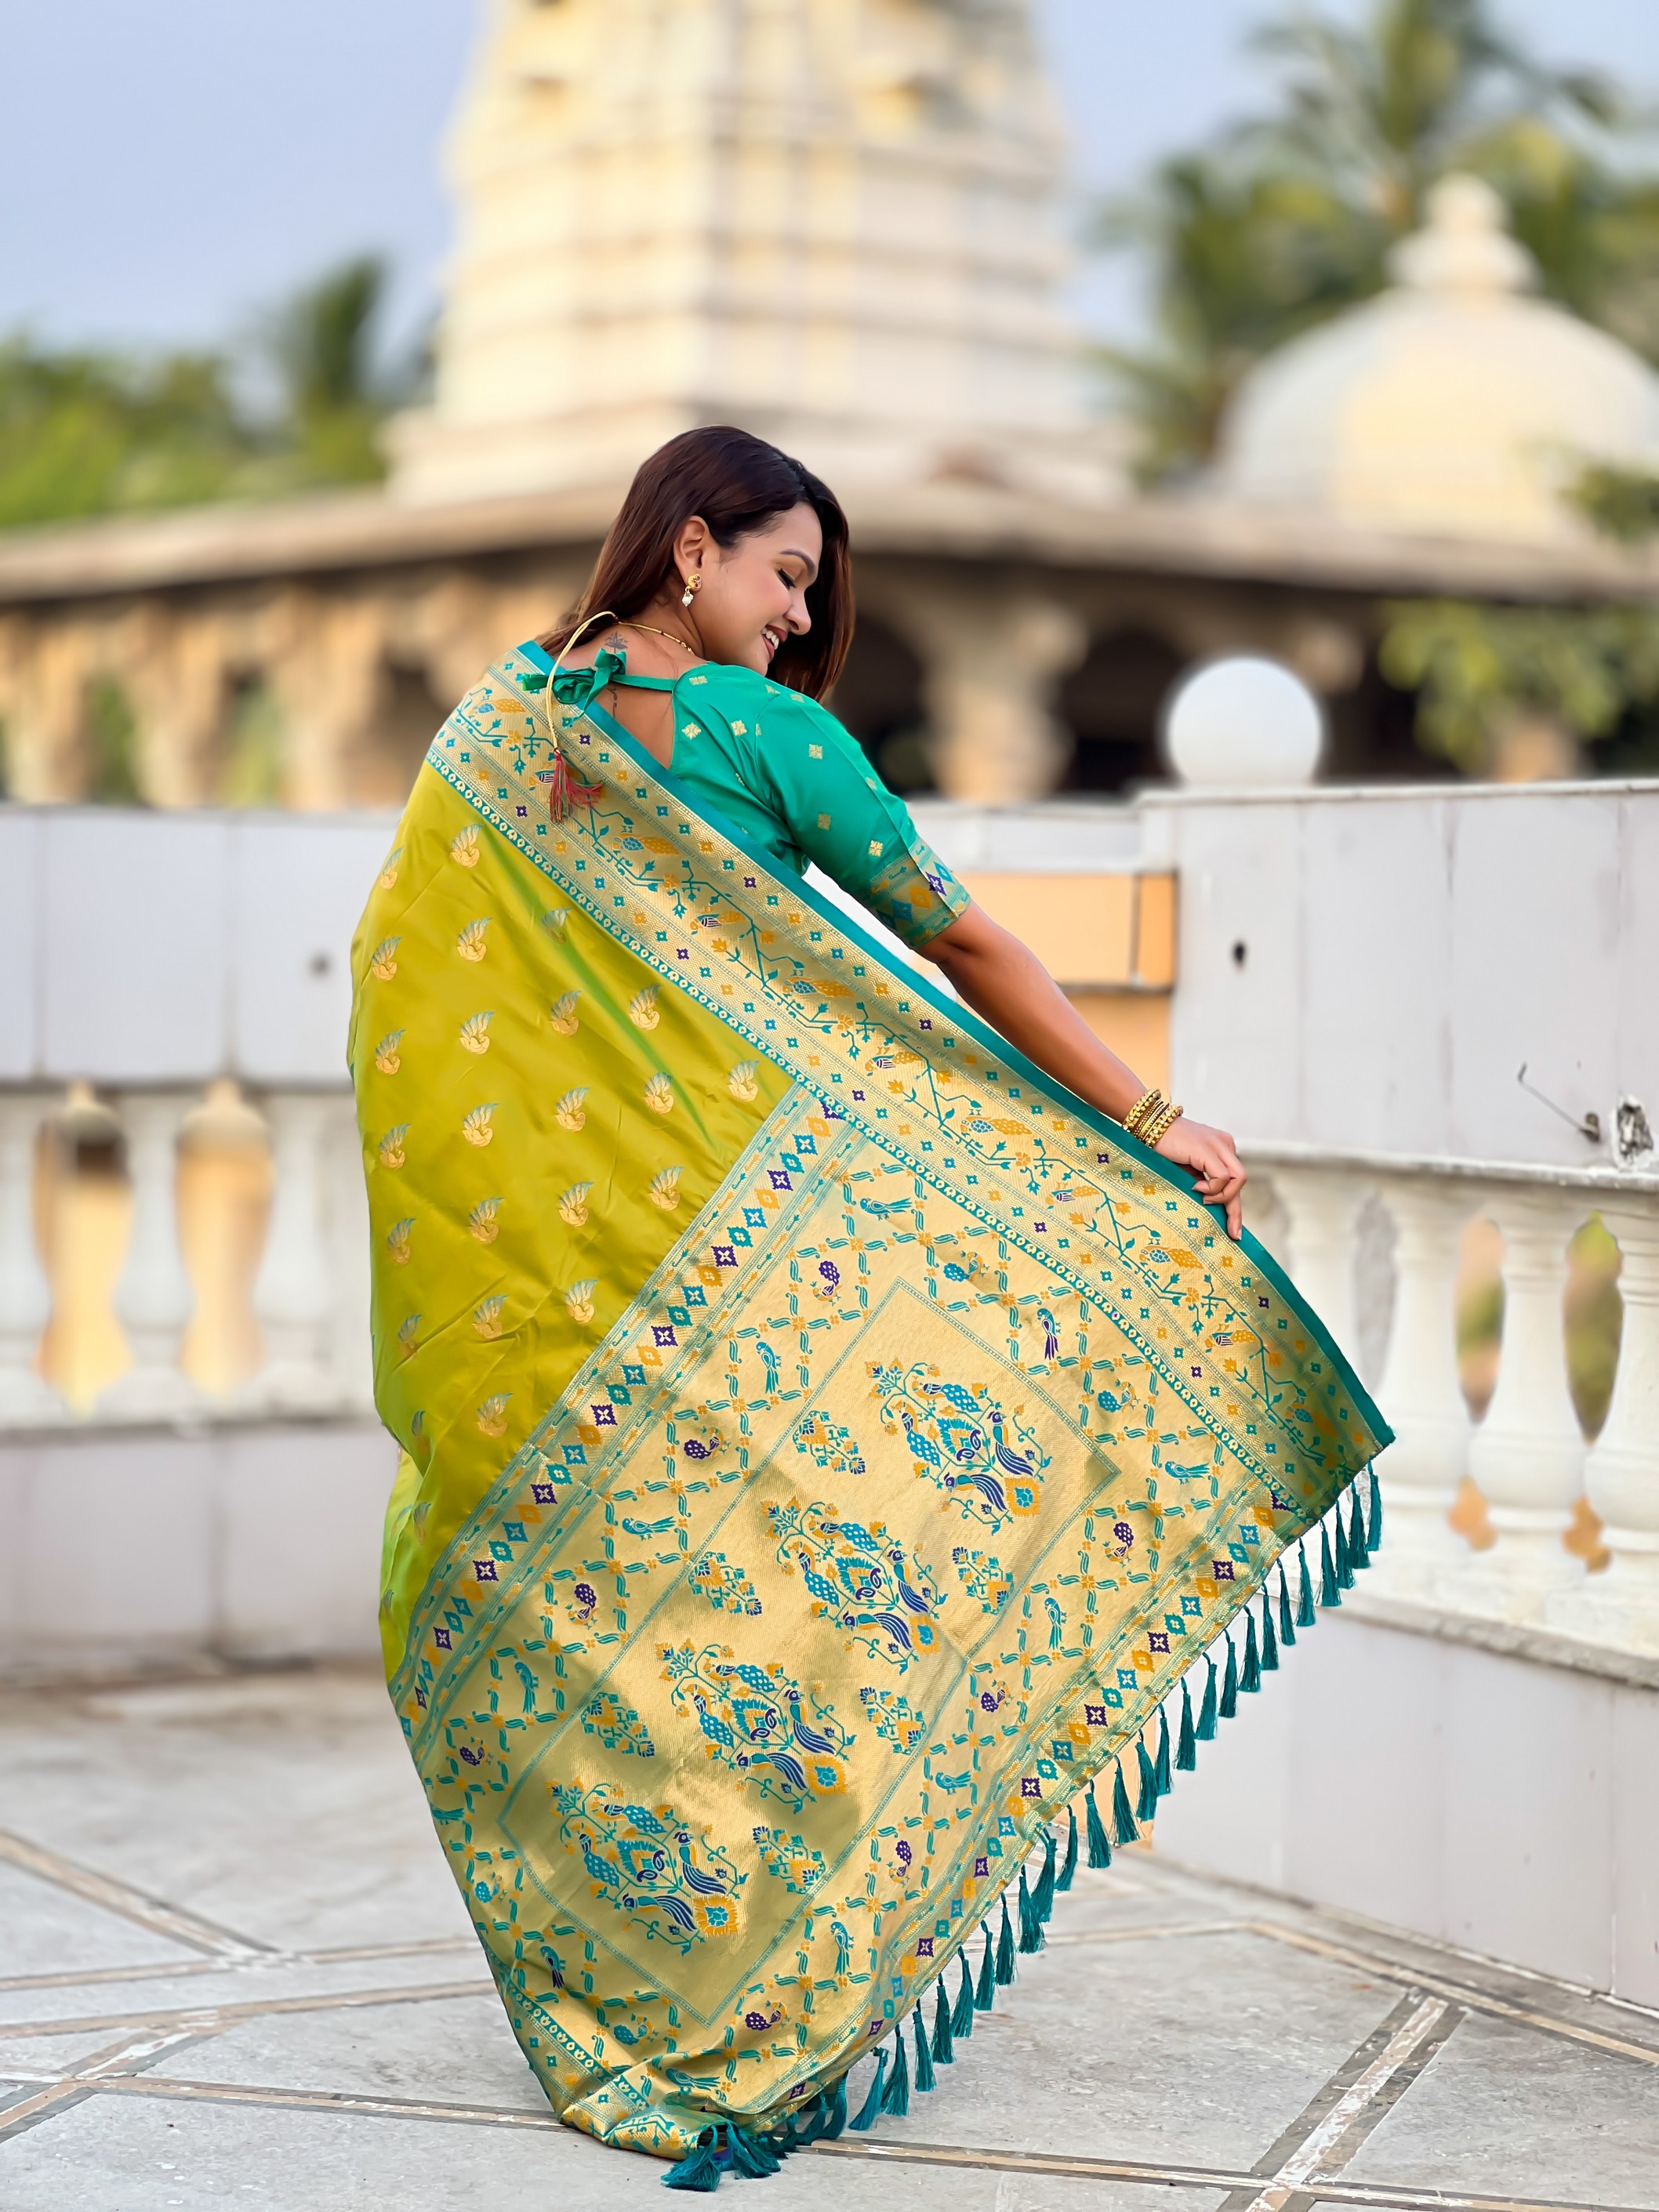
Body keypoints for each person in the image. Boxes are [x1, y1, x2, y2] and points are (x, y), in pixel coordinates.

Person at [349, 426, 1389, 2188]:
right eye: (784, 574)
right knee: (770, 1594)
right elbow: (959, 943)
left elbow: (403, 1001)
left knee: (623, 1620)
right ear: (688, 547)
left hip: (565, 1286)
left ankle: (648, 1990)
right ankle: (736, 1990)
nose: (795, 614)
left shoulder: (496, 735)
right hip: (749, 1249)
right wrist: (1144, 1116)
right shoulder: (768, 739)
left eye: (809, 589)